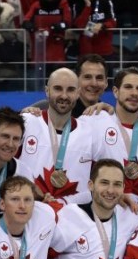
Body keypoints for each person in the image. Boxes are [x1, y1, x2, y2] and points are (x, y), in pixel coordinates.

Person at [14, 69, 105, 204]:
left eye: (70, 90)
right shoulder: (27, 123)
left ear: (78, 93)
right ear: (47, 91)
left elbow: (101, 180)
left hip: (73, 219)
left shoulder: (90, 132)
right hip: (29, 214)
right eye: (57, 89)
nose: (64, 95)